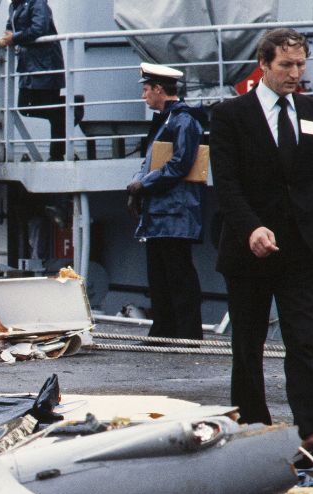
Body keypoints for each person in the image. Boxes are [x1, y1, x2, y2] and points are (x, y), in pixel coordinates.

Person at [210, 28, 313, 465]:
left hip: (303, 250)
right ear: (264, 65)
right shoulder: (230, 115)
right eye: (286, 65)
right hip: (249, 250)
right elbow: (226, 183)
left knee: (301, 341)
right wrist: (252, 228)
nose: (295, 73)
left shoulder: (312, 110)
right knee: (247, 346)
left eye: (301, 64)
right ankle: (253, 430)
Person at [126, 63, 207, 341]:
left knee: (178, 275)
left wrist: (143, 184)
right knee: (160, 276)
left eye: (146, 89)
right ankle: (163, 331)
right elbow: (150, 162)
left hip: (175, 213)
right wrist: (136, 185)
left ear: (159, 89)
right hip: (161, 213)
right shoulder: (168, 120)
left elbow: (180, 164)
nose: (144, 96)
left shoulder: (183, 121)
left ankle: (187, 335)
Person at [0, 0, 66, 161]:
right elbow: (11, 26)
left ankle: (56, 155)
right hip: (28, 66)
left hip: (46, 65)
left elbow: (39, 28)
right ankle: (68, 110)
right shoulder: (14, 5)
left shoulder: (37, 3)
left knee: (51, 109)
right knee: (24, 107)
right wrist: (7, 36)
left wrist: (14, 38)